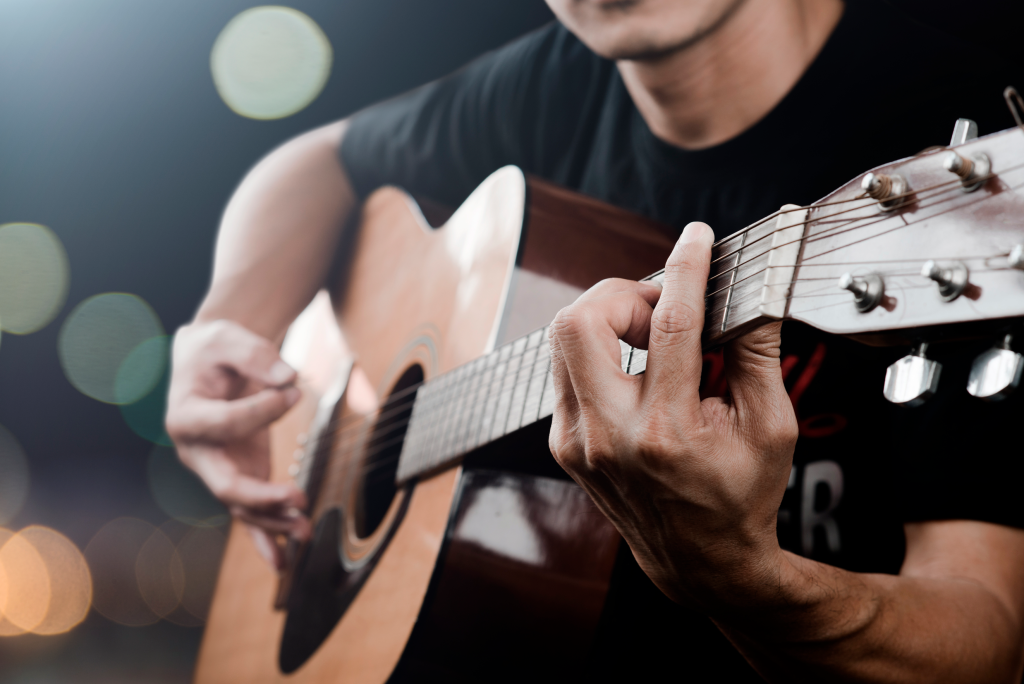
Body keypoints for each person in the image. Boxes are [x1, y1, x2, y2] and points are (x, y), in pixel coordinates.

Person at [166, 0, 1024, 680]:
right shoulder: (542, 88)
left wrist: (743, 581)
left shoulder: (966, 156)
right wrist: (226, 326)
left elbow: (989, 639)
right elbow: (313, 164)